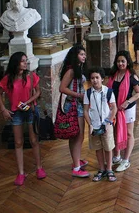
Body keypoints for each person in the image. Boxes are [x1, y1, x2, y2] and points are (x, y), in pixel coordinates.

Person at [0, 52, 45, 186]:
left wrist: (28, 101)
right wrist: (3, 109)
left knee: (34, 140)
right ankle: (21, 172)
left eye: (26, 61)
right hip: (15, 112)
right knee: (18, 142)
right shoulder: (8, 79)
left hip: (30, 110)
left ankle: (39, 167)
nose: (26, 63)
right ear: (16, 63)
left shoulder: (30, 75)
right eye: (23, 61)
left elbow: (38, 92)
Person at [107, 51, 139, 172]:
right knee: (115, 131)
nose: (120, 63)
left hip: (126, 109)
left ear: (127, 62)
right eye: (118, 61)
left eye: (123, 61)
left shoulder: (132, 76)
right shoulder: (113, 74)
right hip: (114, 108)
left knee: (128, 133)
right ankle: (116, 156)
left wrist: (127, 101)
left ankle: (126, 160)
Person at [59, 44, 90, 178]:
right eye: (81, 54)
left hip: (75, 104)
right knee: (78, 136)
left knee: (75, 135)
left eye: (84, 54)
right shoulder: (71, 70)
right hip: (74, 104)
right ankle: (76, 167)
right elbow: (62, 88)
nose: (84, 56)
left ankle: (76, 161)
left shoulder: (77, 68)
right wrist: (79, 95)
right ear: (75, 55)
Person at [84, 67, 117, 182]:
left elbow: (114, 108)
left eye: (97, 77)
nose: (95, 80)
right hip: (94, 125)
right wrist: (90, 124)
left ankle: (109, 169)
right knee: (98, 148)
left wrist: (109, 122)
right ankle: (101, 169)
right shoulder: (88, 93)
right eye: (92, 78)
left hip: (106, 125)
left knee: (108, 147)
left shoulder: (108, 91)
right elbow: (85, 111)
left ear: (102, 79)